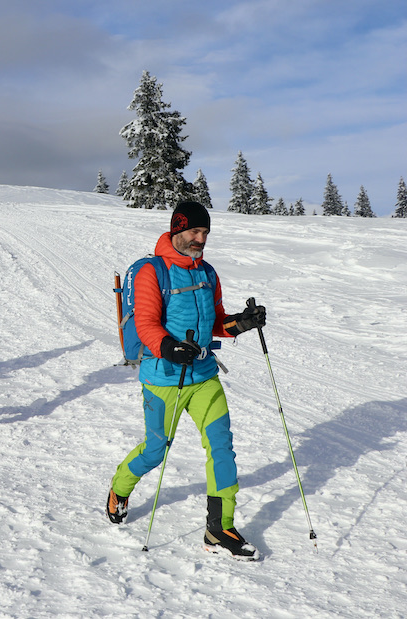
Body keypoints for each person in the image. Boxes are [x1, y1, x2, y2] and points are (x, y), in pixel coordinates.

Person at [106, 201, 267, 561]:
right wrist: (167, 347)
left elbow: (216, 323)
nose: (200, 239)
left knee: (221, 447)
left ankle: (219, 527)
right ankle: (120, 487)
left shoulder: (207, 273)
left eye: (205, 233)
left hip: (204, 377)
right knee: (155, 450)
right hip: (164, 378)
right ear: (177, 230)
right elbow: (146, 323)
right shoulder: (153, 271)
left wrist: (243, 321)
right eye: (194, 232)